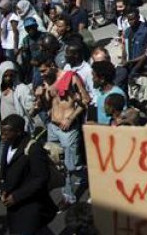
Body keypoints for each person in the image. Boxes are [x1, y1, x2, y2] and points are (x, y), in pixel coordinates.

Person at [36, 57, 90, 209]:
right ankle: (68, 197)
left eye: (44, 70)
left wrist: (70, 118)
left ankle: (92, 177)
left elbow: (85, 100)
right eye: (40, 72)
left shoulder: (70, 78)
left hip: (68, 129)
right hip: (53, 127)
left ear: (52, 66)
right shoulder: (47, 81)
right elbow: (46, 105)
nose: (41, 74)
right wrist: (41, 95)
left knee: (72, 166)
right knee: (58, 165)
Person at [0, 114, 58, 234]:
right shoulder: (8, 145)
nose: (2, 137)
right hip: (14, 203)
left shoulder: (33, 148)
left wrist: (16, 196)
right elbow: (5, 172)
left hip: (30, 203)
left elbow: (41, 178)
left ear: (18, 132)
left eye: (6, 133)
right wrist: (4, 189)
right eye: (2, 132)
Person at [0, 61, 35, 163]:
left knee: (21, 160)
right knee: (2, 161)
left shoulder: (22, 89)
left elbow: (30, 108)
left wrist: (35, 105)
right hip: (4, 133)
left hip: (19, 132)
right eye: (6, 76)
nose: (9, 78)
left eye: (11, 75)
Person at [90, 60, 126, 126]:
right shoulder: (98, 92)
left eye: (94, 77)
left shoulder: (117, 94)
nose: (92, 79)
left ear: (102, 79)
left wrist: (97, 125)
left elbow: (121, 121)